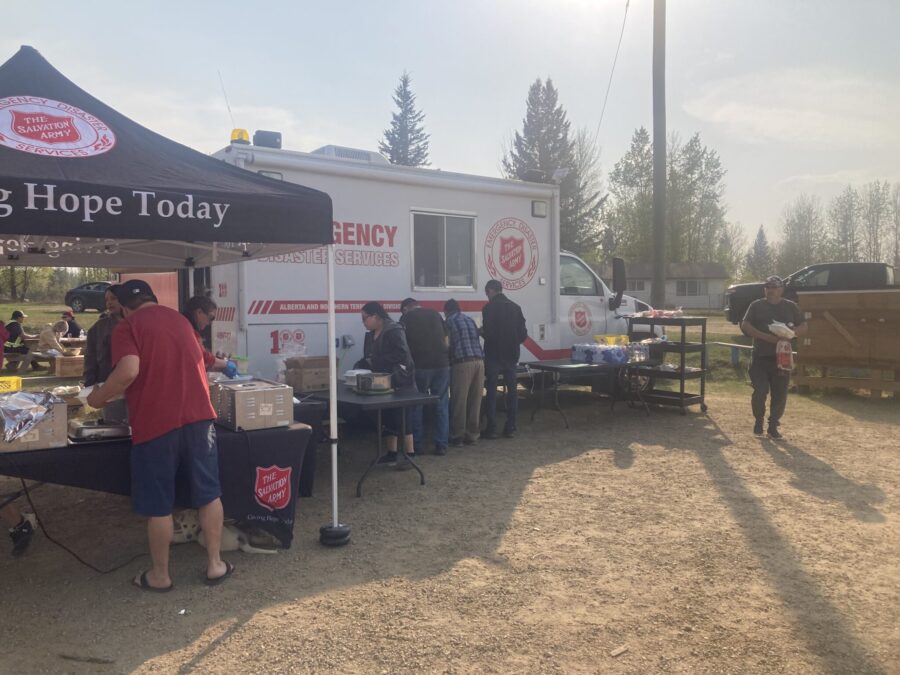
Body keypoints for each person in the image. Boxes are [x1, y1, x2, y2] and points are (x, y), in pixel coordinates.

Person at [87, 279, 231, 591]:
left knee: (159, 504)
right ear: (153, 298)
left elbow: (128, 371)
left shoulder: (127, 327)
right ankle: (215, 564)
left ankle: (160, 576)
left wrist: (98, 397)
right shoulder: (180, 319)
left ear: (124, 307)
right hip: (199, 419)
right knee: (209, 493)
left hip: (155, 424)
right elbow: (201, 359)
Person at [740, 275, 808, 439]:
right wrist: (765, 336)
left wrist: (791, 334)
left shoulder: (790, 306)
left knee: (780, 393)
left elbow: (804, 325)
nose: (770, 290)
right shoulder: (756, 305)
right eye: (767, 287)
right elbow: (745, 325)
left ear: (781, 290)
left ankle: (773, 425)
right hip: (761, 356)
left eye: (774, 288)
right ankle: (758, 421)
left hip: (782, 358)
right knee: (760, 391)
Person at [355, 302, 417, 466]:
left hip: (402, 380)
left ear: (375, 316)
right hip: (383, 382)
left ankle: (410, 454)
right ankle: (391, 452)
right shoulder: (371, 334)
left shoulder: (394, 330)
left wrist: (374, 361)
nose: (363, 322)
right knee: (387, 416)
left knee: (404, 417)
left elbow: (401, 353)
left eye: (364, 318)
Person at [399, 297, 450, 455]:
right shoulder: (435, 314)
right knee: (441, 404)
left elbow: (402, 345)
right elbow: (446, 341)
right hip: (442, 364)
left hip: (421, 366)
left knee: (417, 405)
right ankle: (441, 445)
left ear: (406, 308)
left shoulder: (406, 318)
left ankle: (418, 446)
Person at [481, 280, 527, 439]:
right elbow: (523, 335)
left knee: (492, 391)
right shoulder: (515, 307)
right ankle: (511, 426)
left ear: (491, 291)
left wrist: (480, 332)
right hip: (511, 355)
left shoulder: (488, 309)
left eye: (487, 293)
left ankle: (491, 428)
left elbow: (488, 332)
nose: (487, 296)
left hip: (493, 355)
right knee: (513, 391)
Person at [444, 298, 485, 447]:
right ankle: (472, 434)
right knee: (475, 400)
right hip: (479, 362)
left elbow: (447, 345)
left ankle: (457, 435)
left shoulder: (448, 321)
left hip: (462, 363)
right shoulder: (469, 319)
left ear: (446, 311)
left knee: (459, 400)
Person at [84, 284, 127, 422]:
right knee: (116, 425)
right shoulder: (99, 327)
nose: (109, 302)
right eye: (107, 299)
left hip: (136, 387)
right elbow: (90, 358)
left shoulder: (137, 324)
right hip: (109, 386)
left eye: (113, 298)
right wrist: (90, 385)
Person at [183, 296, 237, 376]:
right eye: (211, 318)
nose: (210, 323)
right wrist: (225, 364)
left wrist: (220, 367)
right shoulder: (187, 331)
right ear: (199, 312)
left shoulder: (185, 326)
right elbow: (203, 357)